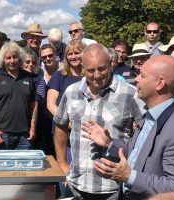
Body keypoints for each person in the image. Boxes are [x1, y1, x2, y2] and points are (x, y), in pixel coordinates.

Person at [81, 55, 174, 200]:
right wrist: (109, 143)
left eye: (142, 75)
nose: (136, 79)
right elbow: (138, 155)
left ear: (160, 83)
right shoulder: (150, 116)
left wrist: (129, 177)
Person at [53, 44, 144, 199]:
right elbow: (60, 126)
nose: (97, 75)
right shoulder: (71, 92)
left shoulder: (130, 93)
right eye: (90, 70)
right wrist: (62, 163)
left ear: (111, 63)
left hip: (113, 187)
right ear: (82, 68)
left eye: (102, 68)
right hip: (76, 184)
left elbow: (147, 133)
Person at [0, 41, 37, 150]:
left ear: (20, 58)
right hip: (1, 136)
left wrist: (33, 128)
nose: (12, 61)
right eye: (8, 58)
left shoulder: (28, 77)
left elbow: (34, 104)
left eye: (15, 57)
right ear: (3, 59)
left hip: (24, 137)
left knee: (24, 167)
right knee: (1, 167)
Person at [46, 39, 85, 198]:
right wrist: (68, 123)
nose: (73, 56)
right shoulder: (59, 76)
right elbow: (50, 104)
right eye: (70, 53)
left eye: (77, 52)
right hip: (65, 137)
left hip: (86, 135)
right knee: (67, 178)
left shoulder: (89, 76)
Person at [33, 44, 59, 155]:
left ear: (55, 54)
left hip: (59, 118)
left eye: (50, 55)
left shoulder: (64, 70)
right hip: (42, 121)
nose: (47, 58)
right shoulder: (39, 72)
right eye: (44, 57)